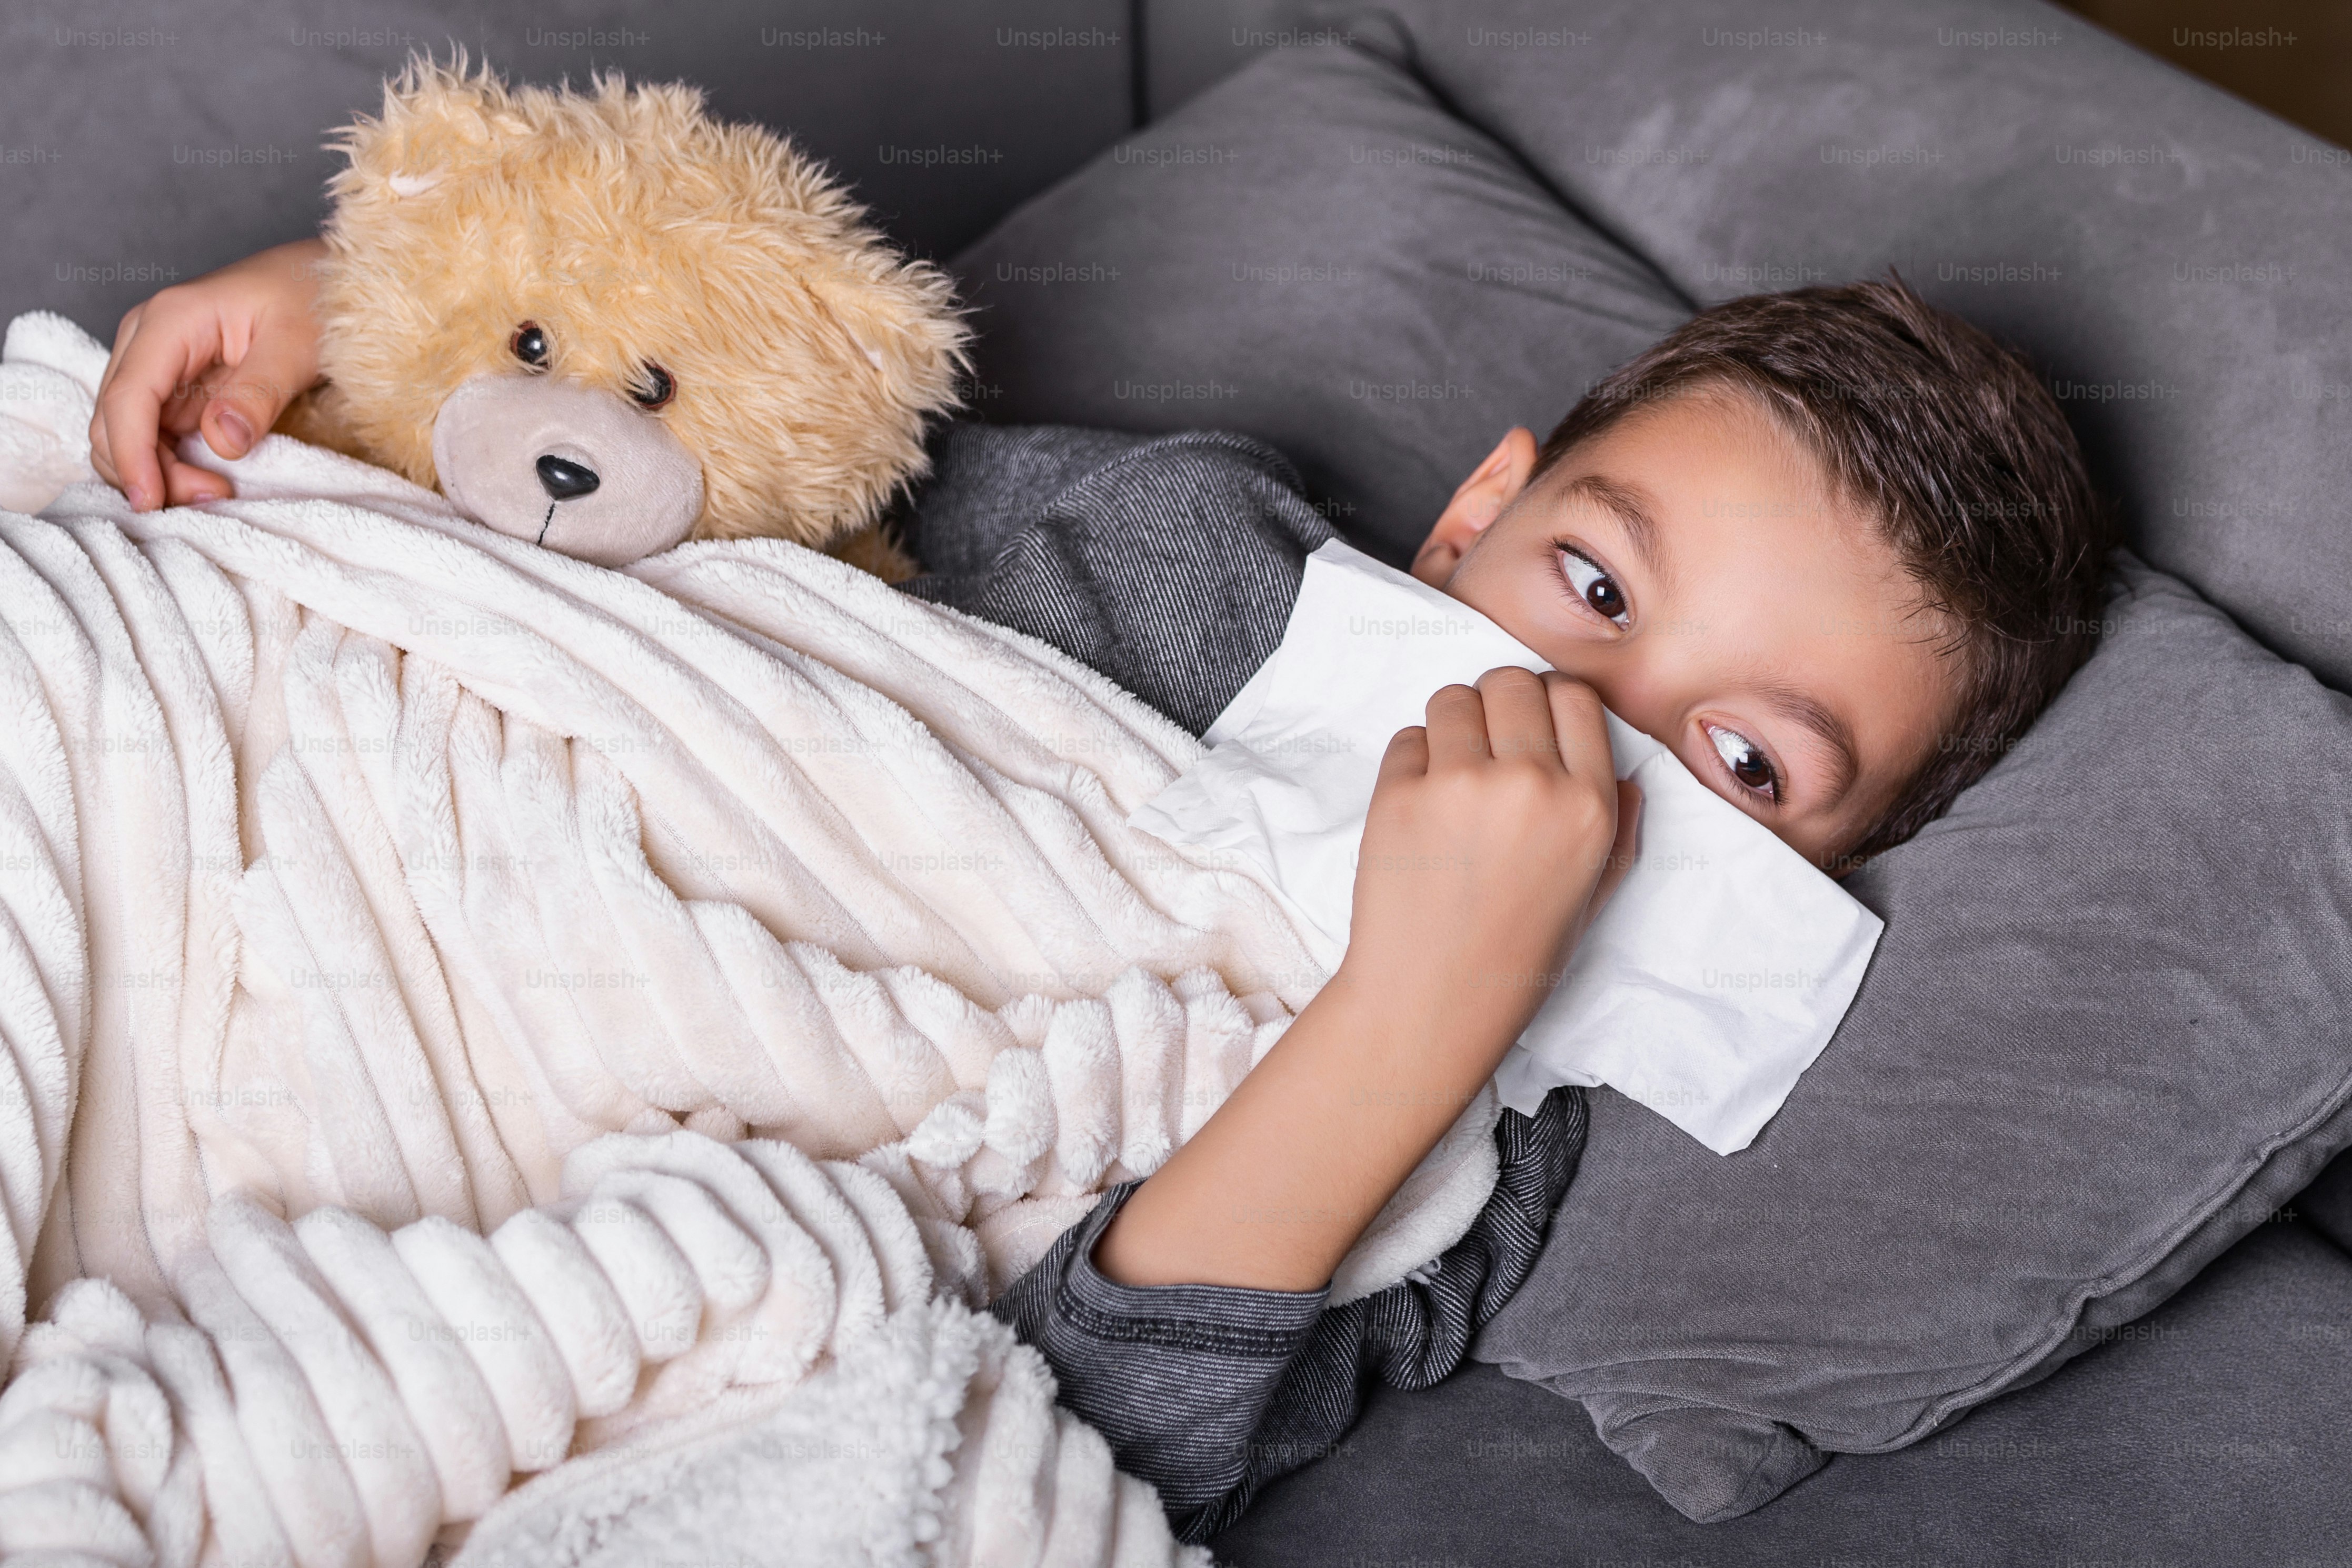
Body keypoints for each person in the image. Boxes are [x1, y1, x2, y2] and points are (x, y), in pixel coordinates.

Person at [87, 247, 2107, 1542]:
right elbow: (723, 451)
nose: (1584, 721)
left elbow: (1092, 1421)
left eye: (1742, 762)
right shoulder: (1182, 540)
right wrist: (372, 330)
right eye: (1588, 588)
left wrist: (1419, 1011)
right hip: (371, 867)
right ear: (1477, 510)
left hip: (635, 1231)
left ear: (1811, 871)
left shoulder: (1501, 1141)